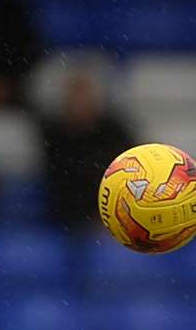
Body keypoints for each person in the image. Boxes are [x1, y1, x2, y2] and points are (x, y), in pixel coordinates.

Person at [40, 71, 136, 229]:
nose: (80, 103)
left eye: (85, 97)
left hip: (111, 216)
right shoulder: (54, 135)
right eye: (75, 98)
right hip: (64, 217)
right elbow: (58, 181)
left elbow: (131, 175)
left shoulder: (115, 133)